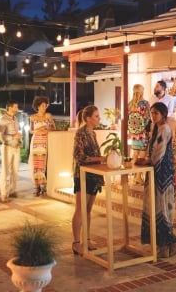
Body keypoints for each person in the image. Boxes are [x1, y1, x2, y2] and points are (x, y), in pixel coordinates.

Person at [139, 102, 176, 259]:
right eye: (152, 113)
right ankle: (171, 245)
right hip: (156, 171)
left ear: (163, 114)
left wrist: (147, 161)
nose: (153, 116)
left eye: (156, 113)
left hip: (162, 173)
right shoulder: (156, 128)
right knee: (156, 206)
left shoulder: (164, 129)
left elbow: (159, 153)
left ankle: (166, 245)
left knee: (161, 208)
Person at [71, 105, 105, 256]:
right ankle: (76, 242)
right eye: (96, 116)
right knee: (80, 209)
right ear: (88, 118)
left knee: (89, 210)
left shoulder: (93, 133)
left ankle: (87, 239)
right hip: (83, 175)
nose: (99, 119)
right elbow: (79, 156)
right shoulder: (81, 133)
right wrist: (99, 158)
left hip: (94, 175)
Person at [29, 96, 56, 197]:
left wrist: (47, 130)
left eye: (46, 105)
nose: (45, 107)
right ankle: (36, 186)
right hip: (36, 142)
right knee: (36, 164)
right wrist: (38, 130)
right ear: (38, 106)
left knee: (44, 163)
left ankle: (44, 185)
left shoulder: (48, 116)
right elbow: (31, 130)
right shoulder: (32, 117)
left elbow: (54, 128)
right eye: (43, 105)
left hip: (45, 141)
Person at [0, 100, 22, 203]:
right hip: (7, 147)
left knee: (15, 171)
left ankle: (12, 191)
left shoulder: (15, 119)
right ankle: (3, 194)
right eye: (16, 107)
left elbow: (16, 133)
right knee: (5, 171)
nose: (17, 109)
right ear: (10, 108)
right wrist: (12, 137)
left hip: (16, 147)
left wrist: (19, 140)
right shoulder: (3, 119)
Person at [128, 84, 150, 185]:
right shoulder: (145, 103)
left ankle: (134, 175)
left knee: (135, 154)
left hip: (134, 132)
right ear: (141, 91)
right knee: (142, 154)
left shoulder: (130, 104)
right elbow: (148, 118)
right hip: (143, 132)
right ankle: (138, 177)